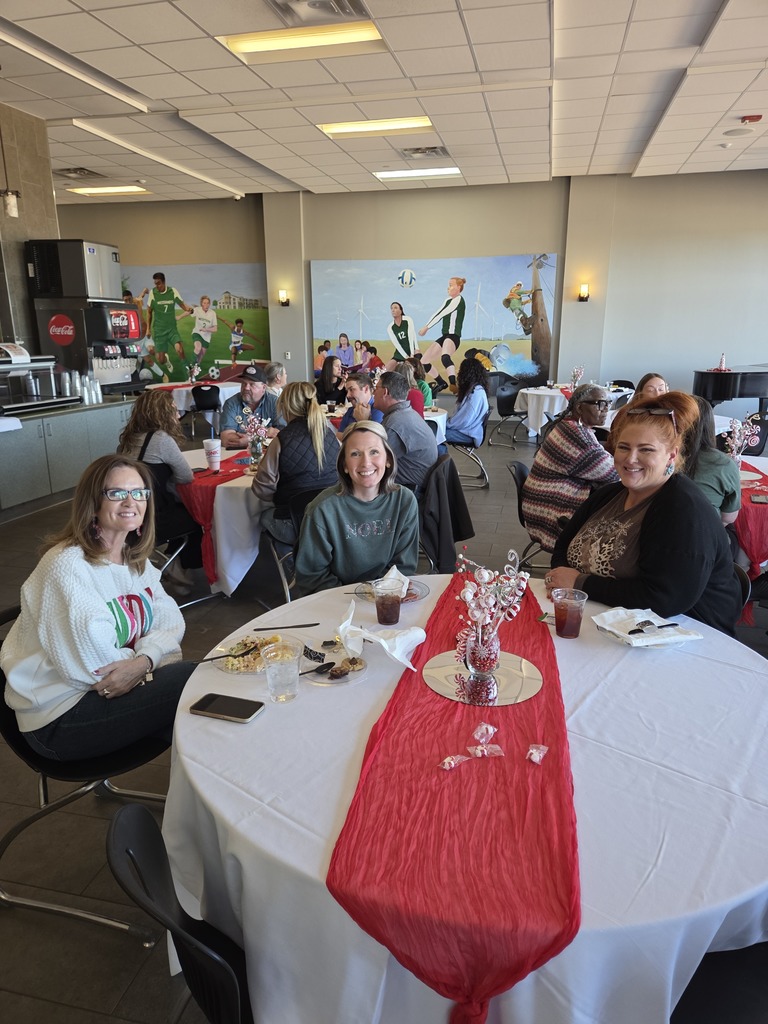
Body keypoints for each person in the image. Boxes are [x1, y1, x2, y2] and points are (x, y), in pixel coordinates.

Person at [0, 455, 196, 761]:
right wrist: (152, 660)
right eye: (117, 493)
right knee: (193, 681)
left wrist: (144, 660)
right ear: (93, 504)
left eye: (140, 492)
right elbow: (98, 671)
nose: (131, 501)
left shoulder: (135, 561)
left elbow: (171, 622)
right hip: (60, 717)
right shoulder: (66, 566)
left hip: (105, 697)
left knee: (200, 716)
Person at [546, 393, 743, 636]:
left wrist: (579, 584)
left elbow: (663, 599)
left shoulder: (683, 510)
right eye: (624, 447)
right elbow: (562, 548)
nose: (630, 459)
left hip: (684, 636)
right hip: (604, 621)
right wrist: (565, 583)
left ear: (671, 454)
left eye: (646, 450)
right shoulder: (609, 494)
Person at [293, 421, 419, 597]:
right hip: (337, 601)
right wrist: (357, 599)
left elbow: (404, 566)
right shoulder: (322, 510)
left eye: (374, 452)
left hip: (387, 597)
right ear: (344, 465)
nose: (366, 463)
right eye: (355, 454)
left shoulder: (404, 501)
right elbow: (312, 577)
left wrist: (380, 594)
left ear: (388, 460)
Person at [117, 390, 203, 588]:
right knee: (199, 517)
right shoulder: (162, 439)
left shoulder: (127, 440)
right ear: (162, 414)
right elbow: (185, 476)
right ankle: (178, 564)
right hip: (153, 520)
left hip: (128, 516)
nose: (177, 416)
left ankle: (171, 561)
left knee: (179, 512)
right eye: (173, 411)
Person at [521, 384, 619, 551]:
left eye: (608, 403)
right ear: (580, 408)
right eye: (600, 404)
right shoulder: (578, 437)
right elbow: (614, 474)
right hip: (548, 507)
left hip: (541, 495)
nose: (606, 409)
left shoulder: (571, 426)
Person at [251, 382, 340, 545]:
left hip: (294, 523)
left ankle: (289, 561)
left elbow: (261, 488)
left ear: (286, 407)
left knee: (261, 515)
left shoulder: (281, 440)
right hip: (332, 520)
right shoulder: (330, 435)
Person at [373, 371, 438, 492]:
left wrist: (362, 421)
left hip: (409, 491)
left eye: (376, 388)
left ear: (385, 392)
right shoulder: (406, 413)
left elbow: (376, 460)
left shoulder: (396, 423)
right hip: (418, 483)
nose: (373, 392)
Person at [418, 276, 467, 395]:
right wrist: (427, 325)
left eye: (451, 285)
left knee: (445, 357)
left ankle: (453, 384)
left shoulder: (458, 300)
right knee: (423, 362)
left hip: (453, 336)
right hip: (445, 336)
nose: (448, 288)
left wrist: (427, 327)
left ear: (458, 287)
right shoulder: (447, 300)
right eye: (448, 285)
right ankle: (441, 382)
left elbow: (442, 313)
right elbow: (437, 312)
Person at [220, 365, 283, 448]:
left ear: (263, 388)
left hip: (268, 454)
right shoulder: (231, 403)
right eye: (244, 383)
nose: (246, 388)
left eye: (252, 384)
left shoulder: (275, 402)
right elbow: (226, 439)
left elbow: (283, 434)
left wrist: (249, 439)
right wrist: (264, 433)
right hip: (238, 453)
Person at [145, 272, 193, 377]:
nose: (157, 286)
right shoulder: (153, 293)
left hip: (171, 329)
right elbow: (149, 312)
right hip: (159, 330)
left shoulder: (173, 291)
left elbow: (183, 305)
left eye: (159, 283)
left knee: (180, 349)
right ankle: (166, 360)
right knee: (160, 360)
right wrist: (148, 329)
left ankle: (189, 374)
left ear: (164, 282)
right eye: (155, 284)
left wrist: (189, 309)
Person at [444, 357, 489, 447]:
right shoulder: (476, 389)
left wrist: (446, 424)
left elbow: (463, 420)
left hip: (468, 434)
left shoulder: (475, 393)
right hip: (468, 430)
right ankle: (440, 458)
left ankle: (441, 460)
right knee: (434, 433)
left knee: (434, 434)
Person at [336, 372, 383, 439]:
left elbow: (373, 441)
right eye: (347, 391)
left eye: (351, 390)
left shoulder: (379, 411)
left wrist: (362, 421)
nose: (348, 395)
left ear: (366, 389)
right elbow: (339, 437)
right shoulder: (350, 410)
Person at [178, 295, 217, 368]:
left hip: (206, 337)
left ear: (209, 304)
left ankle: (195, 368)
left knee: (200, 358)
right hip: (197, 333)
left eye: (207, 303)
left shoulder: (212, 313)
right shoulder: (197, 309)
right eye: (204, 303)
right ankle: (190, 367)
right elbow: (189, 312)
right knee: (198, 348)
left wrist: (207, 329)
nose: (206, 305)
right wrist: (179, 317)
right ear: (201, 303)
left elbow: (215, 329)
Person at [386, 302, 419, 370]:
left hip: (412, 350)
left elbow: (411, 336)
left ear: (401, 311)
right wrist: (406, 356)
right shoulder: (390, 327)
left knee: (416, 368)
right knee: (387, 369)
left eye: (395, 308)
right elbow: (396, 344)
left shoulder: (407, 320)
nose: (393, 310)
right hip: (400, 352)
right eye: (391, 308)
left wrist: (412, 354)